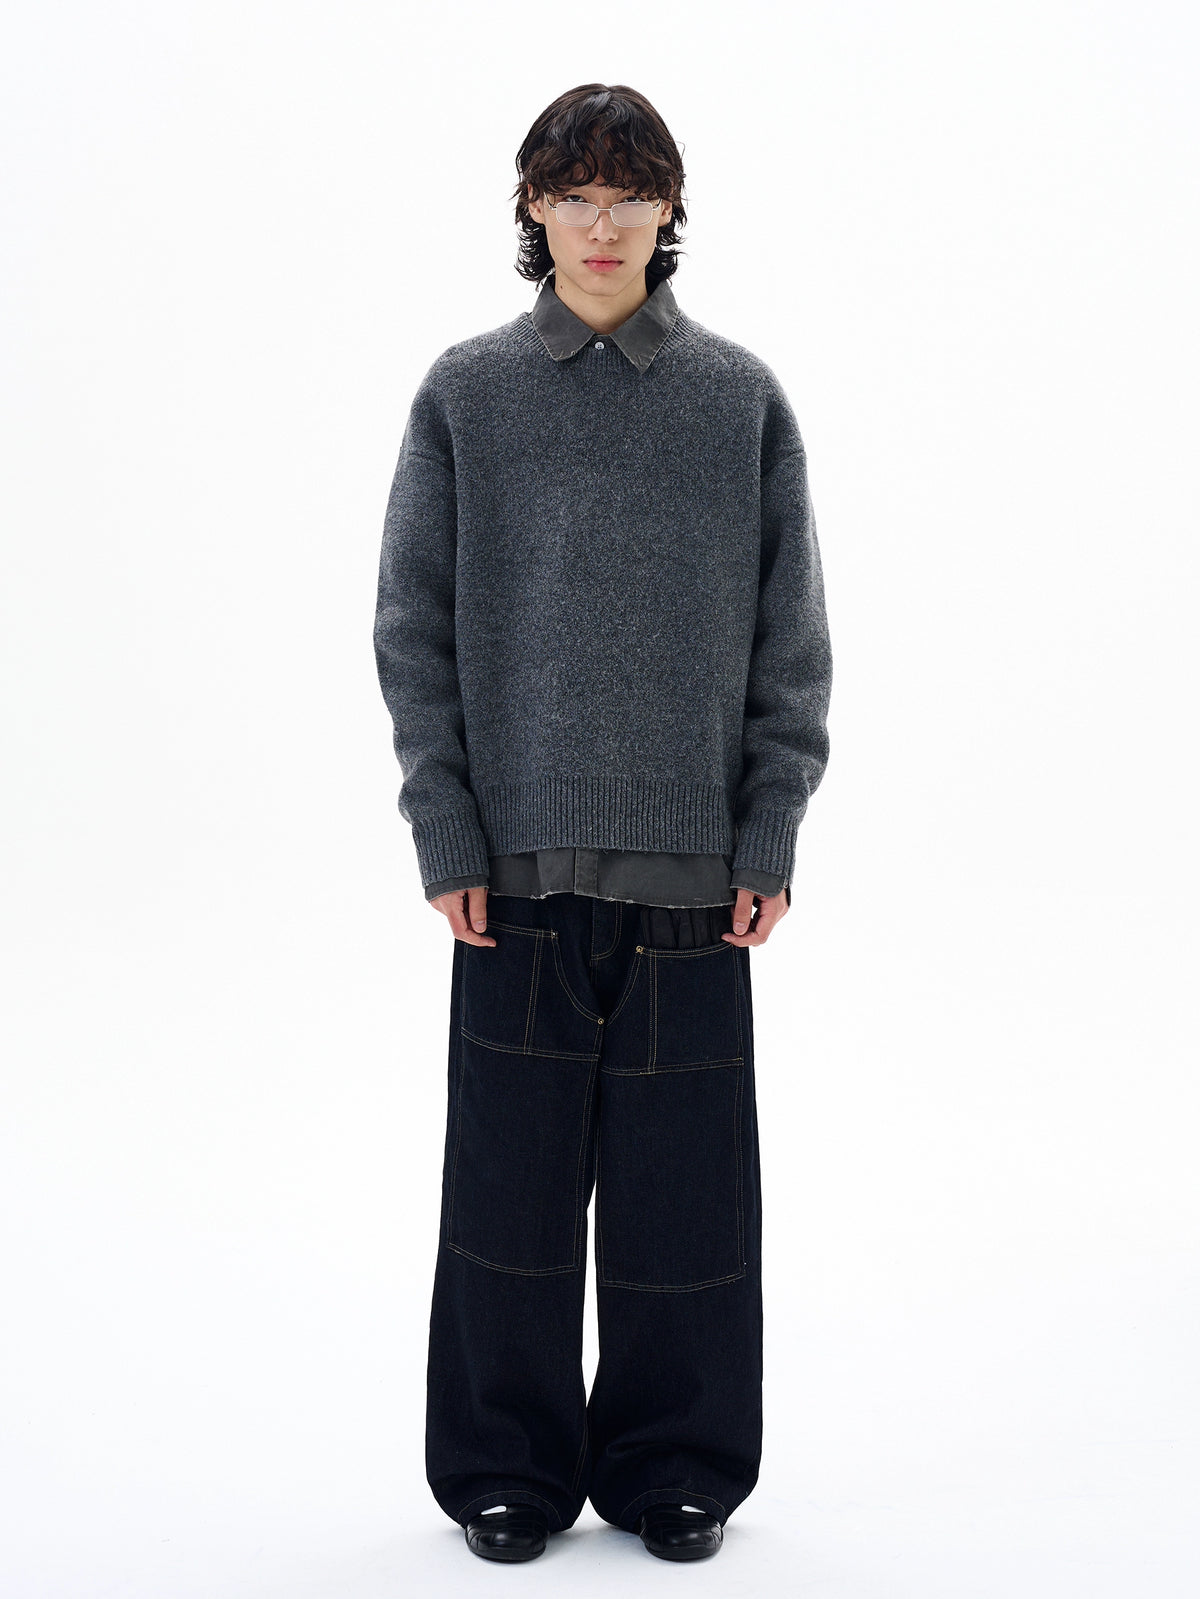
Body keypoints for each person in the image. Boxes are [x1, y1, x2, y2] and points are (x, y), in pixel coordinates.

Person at [373, 82, 833, 1564]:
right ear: (533, 207)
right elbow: (412, 629)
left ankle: (676, 1465)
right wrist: (446, 827)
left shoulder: (738, 399)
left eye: (630, 194)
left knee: (685, 1203)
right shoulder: (467, 394)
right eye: (573, 194)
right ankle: (504, 1466)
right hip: (511, 882)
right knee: (504, 1198)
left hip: (697, 884)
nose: (602, 223)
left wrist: (769, 827)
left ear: (670, 209)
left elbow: (792, 641)